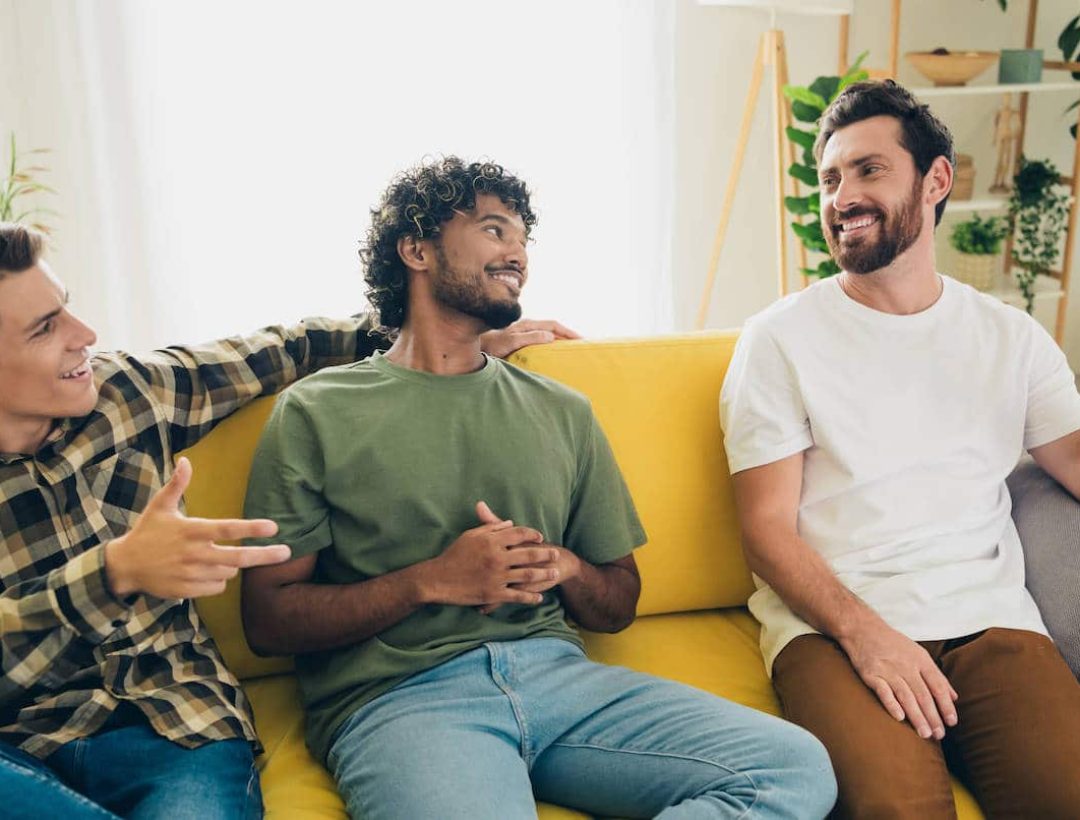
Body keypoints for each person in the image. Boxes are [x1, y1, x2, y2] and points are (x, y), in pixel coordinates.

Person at [241, 156, 837, 820]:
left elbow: (617, 602)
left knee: (793, 769)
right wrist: (431, 580)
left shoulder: (561, 410)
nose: (517, 251)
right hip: (401, 700)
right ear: (415, 249)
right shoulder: (316, 412)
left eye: (523, 237)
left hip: (560, 681)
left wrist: (567, 567)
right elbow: (268, 620)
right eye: (494, 230)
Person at [0, 220, 571, 819]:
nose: (84, 334)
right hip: (20, 747)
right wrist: (112, 574)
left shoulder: (131, 392)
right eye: (45, 329)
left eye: (66, 308)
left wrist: (449, 342)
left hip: (173, 727)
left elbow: (292, 347)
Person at [720, 79, 1080, 819]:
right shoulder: (780, 340)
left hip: (992, 621)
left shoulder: (1010, 338)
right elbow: (764, 529)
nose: (841, 195)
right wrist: (867, 636)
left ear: (936, 179)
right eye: (829, 179)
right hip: (837, 630)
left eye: (869, 170)